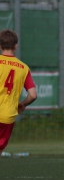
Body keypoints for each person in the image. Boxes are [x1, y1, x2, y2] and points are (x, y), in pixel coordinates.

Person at [0, 29, 37, 157]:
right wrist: (23, 104)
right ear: (16, 46)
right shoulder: (23, 68)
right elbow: (33, 95)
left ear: (0, 46)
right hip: (7, 117)